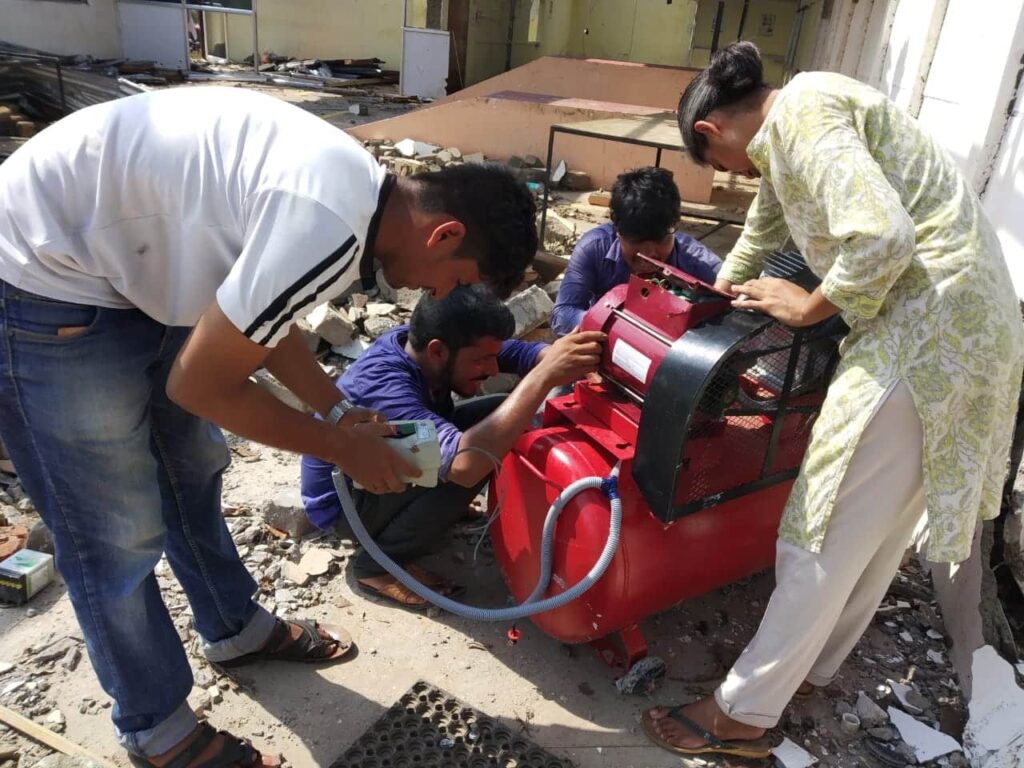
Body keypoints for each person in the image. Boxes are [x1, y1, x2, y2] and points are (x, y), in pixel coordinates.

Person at [0, 86, 538, 767]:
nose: (431, 299)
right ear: (445, 233)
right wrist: (334, 443)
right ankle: (155, 729)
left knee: (192, 466)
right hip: (46, 270)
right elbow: (197, 382)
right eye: (450, 282)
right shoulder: (330, 223)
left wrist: (336, 409)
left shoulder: (359, 197)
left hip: (127, 255)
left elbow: (260, 312)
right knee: (112, 530)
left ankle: (232, 626)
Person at [641, 42, 1024, 760]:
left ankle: (743, 715)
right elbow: (768, 224)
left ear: (709, 133)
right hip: (979, 337)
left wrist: (810, 305)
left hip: (924, 337)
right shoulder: (801, 126)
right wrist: (719, 291)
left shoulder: (805, 113)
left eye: (722, 167)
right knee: (874, 532)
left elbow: (882, 235)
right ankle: (808, 670)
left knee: (820, 525)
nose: (735, 176)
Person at [300, 285, 604, 608]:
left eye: (492, 357)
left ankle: (417, 517)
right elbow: (466, 464)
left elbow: (516, 354)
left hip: (377, 471)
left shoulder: (427, 343)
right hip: (345, 504)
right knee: (474, 462)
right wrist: (542, 378)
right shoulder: (388, 389)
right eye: (482, 360)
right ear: (437, 351)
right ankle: (374, 566)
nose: (491, 369)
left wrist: (558, 356)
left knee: (498, 413)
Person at [550, 166, 721, 336]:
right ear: (617, 230)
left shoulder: (703, 265)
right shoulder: (594, 249)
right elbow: (563, 314)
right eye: (637, 241)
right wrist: (616, 327)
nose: (648, 254)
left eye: (659, 239)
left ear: (675, 226)